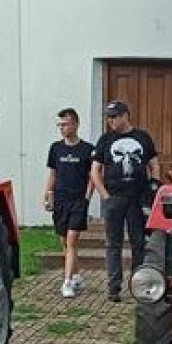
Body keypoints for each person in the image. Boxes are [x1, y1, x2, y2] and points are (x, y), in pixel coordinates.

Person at [91, 100, 159, 302]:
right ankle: (114, 287)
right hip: (114, 197)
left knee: (139, 242)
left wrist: (153, 186)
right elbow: (95, 170)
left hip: (138, 198)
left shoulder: (143, 137)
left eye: (114, 116)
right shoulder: (105, 140)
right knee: (113, 243)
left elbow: (154, 164)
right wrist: (104, 195)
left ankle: (138, 285)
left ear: (125, 116)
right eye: (108, 117)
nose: (110, 120)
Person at [43, 108, 94, 298]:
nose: (62, 128)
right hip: (61, 199)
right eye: (59, 125)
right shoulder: (55, 148)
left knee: (72, 239)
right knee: (65, 240)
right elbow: (53, 174)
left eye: (65, 124)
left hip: (78, 200)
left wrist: (87, 198)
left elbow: (93, 176)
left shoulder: (88, 149)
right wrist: (48, 194)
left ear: (75, 124)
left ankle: (67, 282)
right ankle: (77, 274)